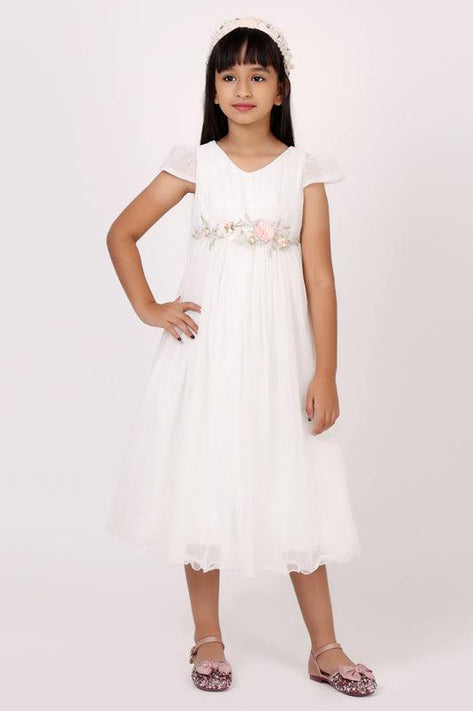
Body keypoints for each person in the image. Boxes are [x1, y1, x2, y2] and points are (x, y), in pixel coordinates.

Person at [106, 15, 377, 697]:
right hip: (208, 357)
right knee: (203, 477)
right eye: (229, 76)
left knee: (297, 483)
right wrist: (149, 307)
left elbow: (320, 279)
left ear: (281, 89)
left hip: (281, 359)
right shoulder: (195, 165)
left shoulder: (303, 173)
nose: (243, 88)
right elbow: (122, 232)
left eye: (258, 75)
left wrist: (325, 372)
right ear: (214, 89)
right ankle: (208, 636)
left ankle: (325, 646)